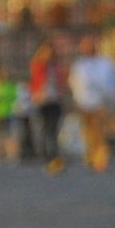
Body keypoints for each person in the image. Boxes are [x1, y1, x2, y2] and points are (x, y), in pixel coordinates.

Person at [69, 35, 115, 172]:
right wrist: (76, 98)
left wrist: (109, 98)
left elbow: (111, 82)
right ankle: (90, 156)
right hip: (84, 102)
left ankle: (100, 158)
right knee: (88, 132)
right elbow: (74, 82)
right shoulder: (79, 64)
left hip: (100, 102)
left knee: (100, 131)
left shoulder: (105, 63)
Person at [29, 34, 68, 173]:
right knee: (45, 130)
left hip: (55, 100)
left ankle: (54, 157)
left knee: (54, 130)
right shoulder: (38, 64)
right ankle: (48, 158)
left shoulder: (57, 65)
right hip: (43, 100)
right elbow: (34, 82)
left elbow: (62, 81)